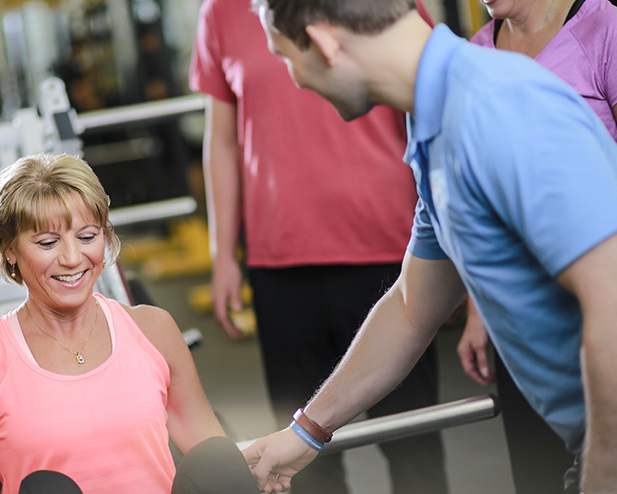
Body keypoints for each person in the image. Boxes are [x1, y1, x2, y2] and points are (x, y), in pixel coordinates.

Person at [239, 1, 617, 493]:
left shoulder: (497, 106)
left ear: (327, 43)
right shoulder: (437, 115)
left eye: (285, 55)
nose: (294, 78)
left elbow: (611, 302)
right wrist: (307, 431)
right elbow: (412, 304)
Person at [188, 0, 449, 492]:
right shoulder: (220, 12)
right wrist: (223, 254)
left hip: (387, 246)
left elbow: (425, 95)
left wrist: (456, 251)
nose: (297, 76)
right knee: (301, 458)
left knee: (413, 441)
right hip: (280, 258)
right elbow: (221, 140)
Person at [0, 153, 227, 494]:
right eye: (48, 242)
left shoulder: (153, 330)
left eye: (87, 237)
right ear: (8, 250)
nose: (73, 258)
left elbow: (215, 461)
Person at [455, 0, 617, 491]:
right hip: (523, 322)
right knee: (537, 474)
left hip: (601, 304)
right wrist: (478, 309)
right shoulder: (474, 55)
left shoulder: (602, 25)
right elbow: (480, 205)